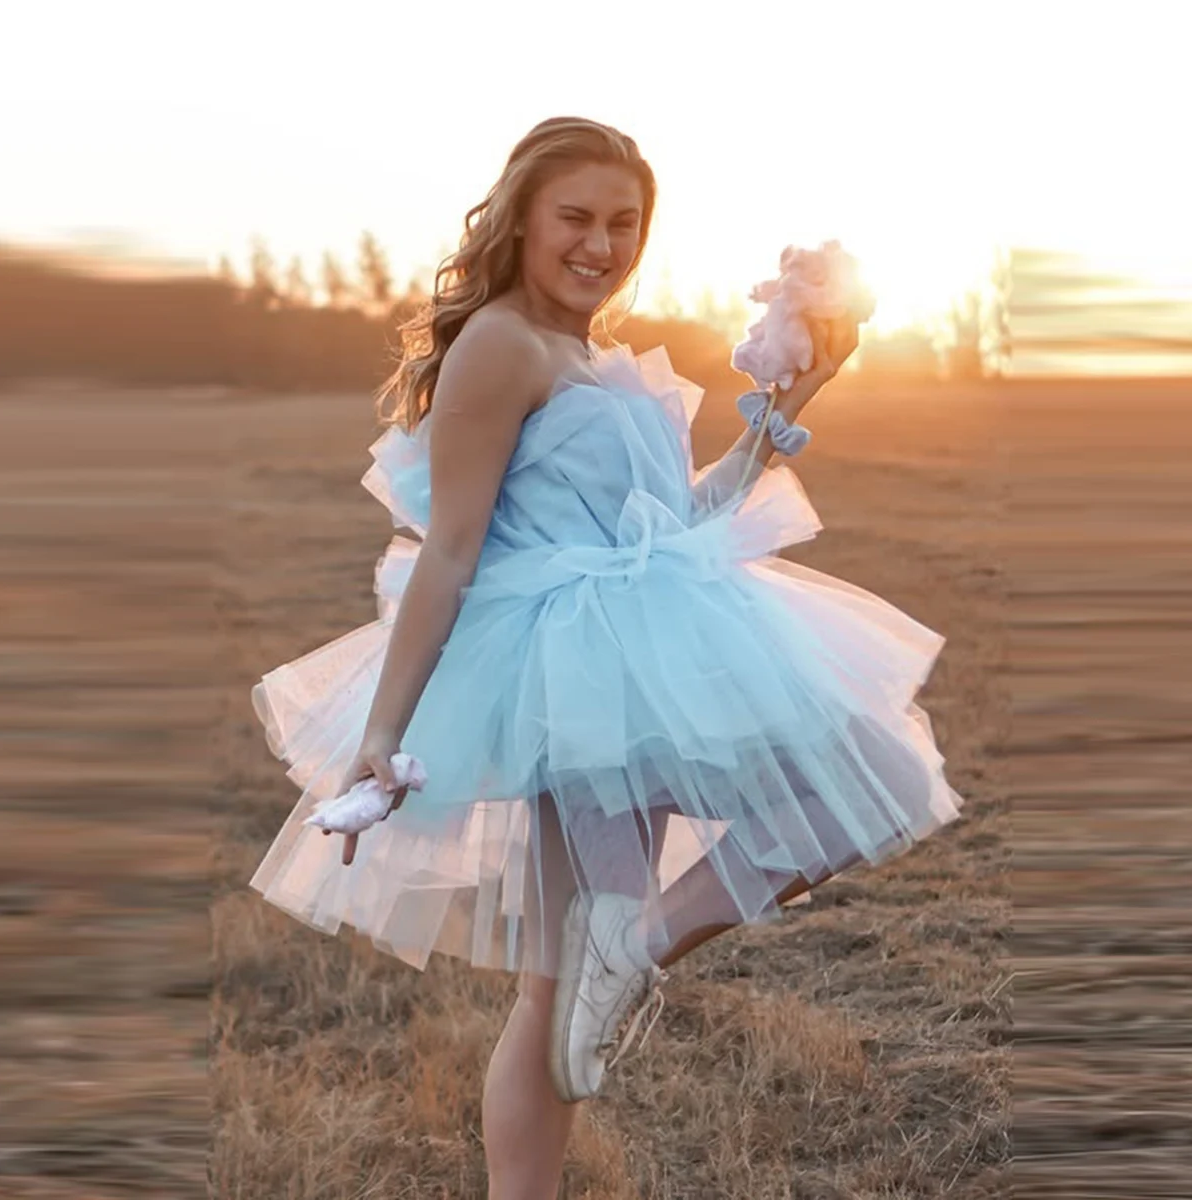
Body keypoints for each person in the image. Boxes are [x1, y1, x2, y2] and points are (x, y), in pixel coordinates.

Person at [248, 116, 962, 1197]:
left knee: (877, 784)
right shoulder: (501, 343)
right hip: (570, 674)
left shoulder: (595, 355)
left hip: (650, 648)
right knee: (550, 995)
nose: (600, 242)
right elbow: (450, 553)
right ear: (523, 218)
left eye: (623, 223)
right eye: (575, 217)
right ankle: (605, 991)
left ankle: (630, 947)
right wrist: (382, 733)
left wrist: (789, 404)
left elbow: (674, 521)